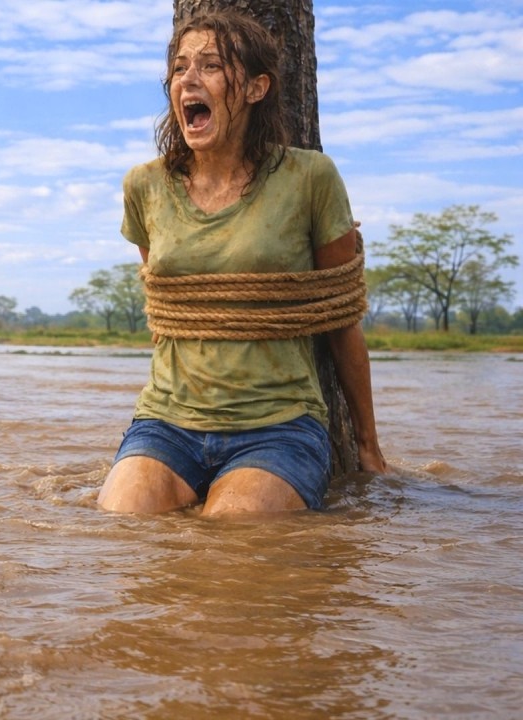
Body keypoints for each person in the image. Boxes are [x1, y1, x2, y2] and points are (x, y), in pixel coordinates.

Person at [97, 11, 388, 517]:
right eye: (180, 67)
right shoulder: (144, 186)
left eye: (210, 65)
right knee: (123, 526)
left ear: (256, 88)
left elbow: (341, 319)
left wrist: (367, 445)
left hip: (278, 425)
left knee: (237, 534)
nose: (187, 79)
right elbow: (167, 308)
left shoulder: (309, 178)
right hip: (166, 421)